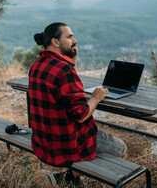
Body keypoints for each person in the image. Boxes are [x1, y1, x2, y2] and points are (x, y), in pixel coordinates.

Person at [28, 22, 127, 186]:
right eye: (69, 37)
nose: (75, 40)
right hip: (68, 143)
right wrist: (96, 98)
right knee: (121, 149)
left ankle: (72, 180)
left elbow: (63, 86)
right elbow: (80, 116)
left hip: (43, 140)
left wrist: (72, 59)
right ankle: (66, 179)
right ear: (56, 42)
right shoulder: (64, 70)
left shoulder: (36, 65)